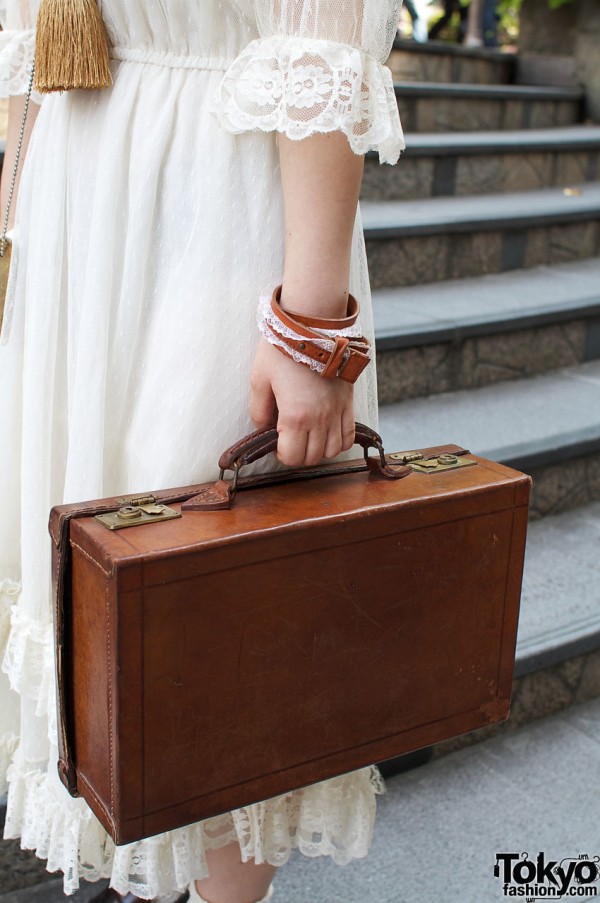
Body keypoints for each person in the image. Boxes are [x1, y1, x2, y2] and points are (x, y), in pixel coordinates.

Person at [0, 1, 405, 902]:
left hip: (215, 201)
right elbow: (34, 55)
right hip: (83, 218)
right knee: (112, 614)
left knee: (225, 617)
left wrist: (310, 327)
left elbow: (317, 43)